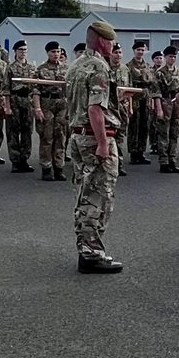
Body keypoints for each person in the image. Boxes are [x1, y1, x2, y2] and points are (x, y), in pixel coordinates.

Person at [65, 21, 122, 274]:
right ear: (102, 41)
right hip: (93, 137)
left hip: (77, 136)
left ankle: (87, 249)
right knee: (98, 197)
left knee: (85, 194)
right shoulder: (99, 66)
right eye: (111, 42)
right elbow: (95, 108)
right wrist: (102, 143)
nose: (113, 47)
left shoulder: (76, 65)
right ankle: (91, 253)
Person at [34, 41, 69, 181]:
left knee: (60, 136)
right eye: (53, 51)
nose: (56, 54)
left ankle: (59, 167)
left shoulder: (67, 69)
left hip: (62, 105)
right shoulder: (41, 69)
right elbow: (35, 90)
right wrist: (37, 108)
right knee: (47, 137)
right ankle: (46, 167)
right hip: (46, 104)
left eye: (58, 51)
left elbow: (70, 90)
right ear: (48, 53)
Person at [152, 45, 179, 173]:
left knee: (175, 133)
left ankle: (172, 160)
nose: (172, 59)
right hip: (165, 101)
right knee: (163, 133)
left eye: (174, 56)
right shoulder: (160, 72)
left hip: (177, 103)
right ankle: (164, 161)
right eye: (170, 56)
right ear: (165, 57)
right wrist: (159, 109)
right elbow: (156, 92)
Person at [5, 40, 36, 173]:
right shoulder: (10, 68)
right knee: (13, 131)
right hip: (15, 100)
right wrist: (7, 107)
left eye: (25, 50)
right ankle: (15, 160)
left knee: (27, 131)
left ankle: (24, 159)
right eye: (20, 50)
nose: (23, 52)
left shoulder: (31, 68)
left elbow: (35, 88)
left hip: (27, 101)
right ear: (15, 52)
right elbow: (5, 89)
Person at [126, 42, 154, 164]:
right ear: (134, 51)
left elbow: (152, 82)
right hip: (135, 96)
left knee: (144, 125)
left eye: (142, 50)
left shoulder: (148, 66)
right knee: (134, 125)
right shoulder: (129, 66)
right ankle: (133, 152)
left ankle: (141, 152)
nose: (140, 52)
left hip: (145, 96)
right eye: (138, 49)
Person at [108, 42, 131, 176]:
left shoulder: (125, 69)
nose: (118, 55)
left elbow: (130, 89)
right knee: (109, 136)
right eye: (115, 52)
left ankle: (119, 164)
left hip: (122, 108)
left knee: (120, 137)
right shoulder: (104, 68)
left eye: (120, 52)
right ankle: (109, 163)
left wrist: (130, 107)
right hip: (109, 108)